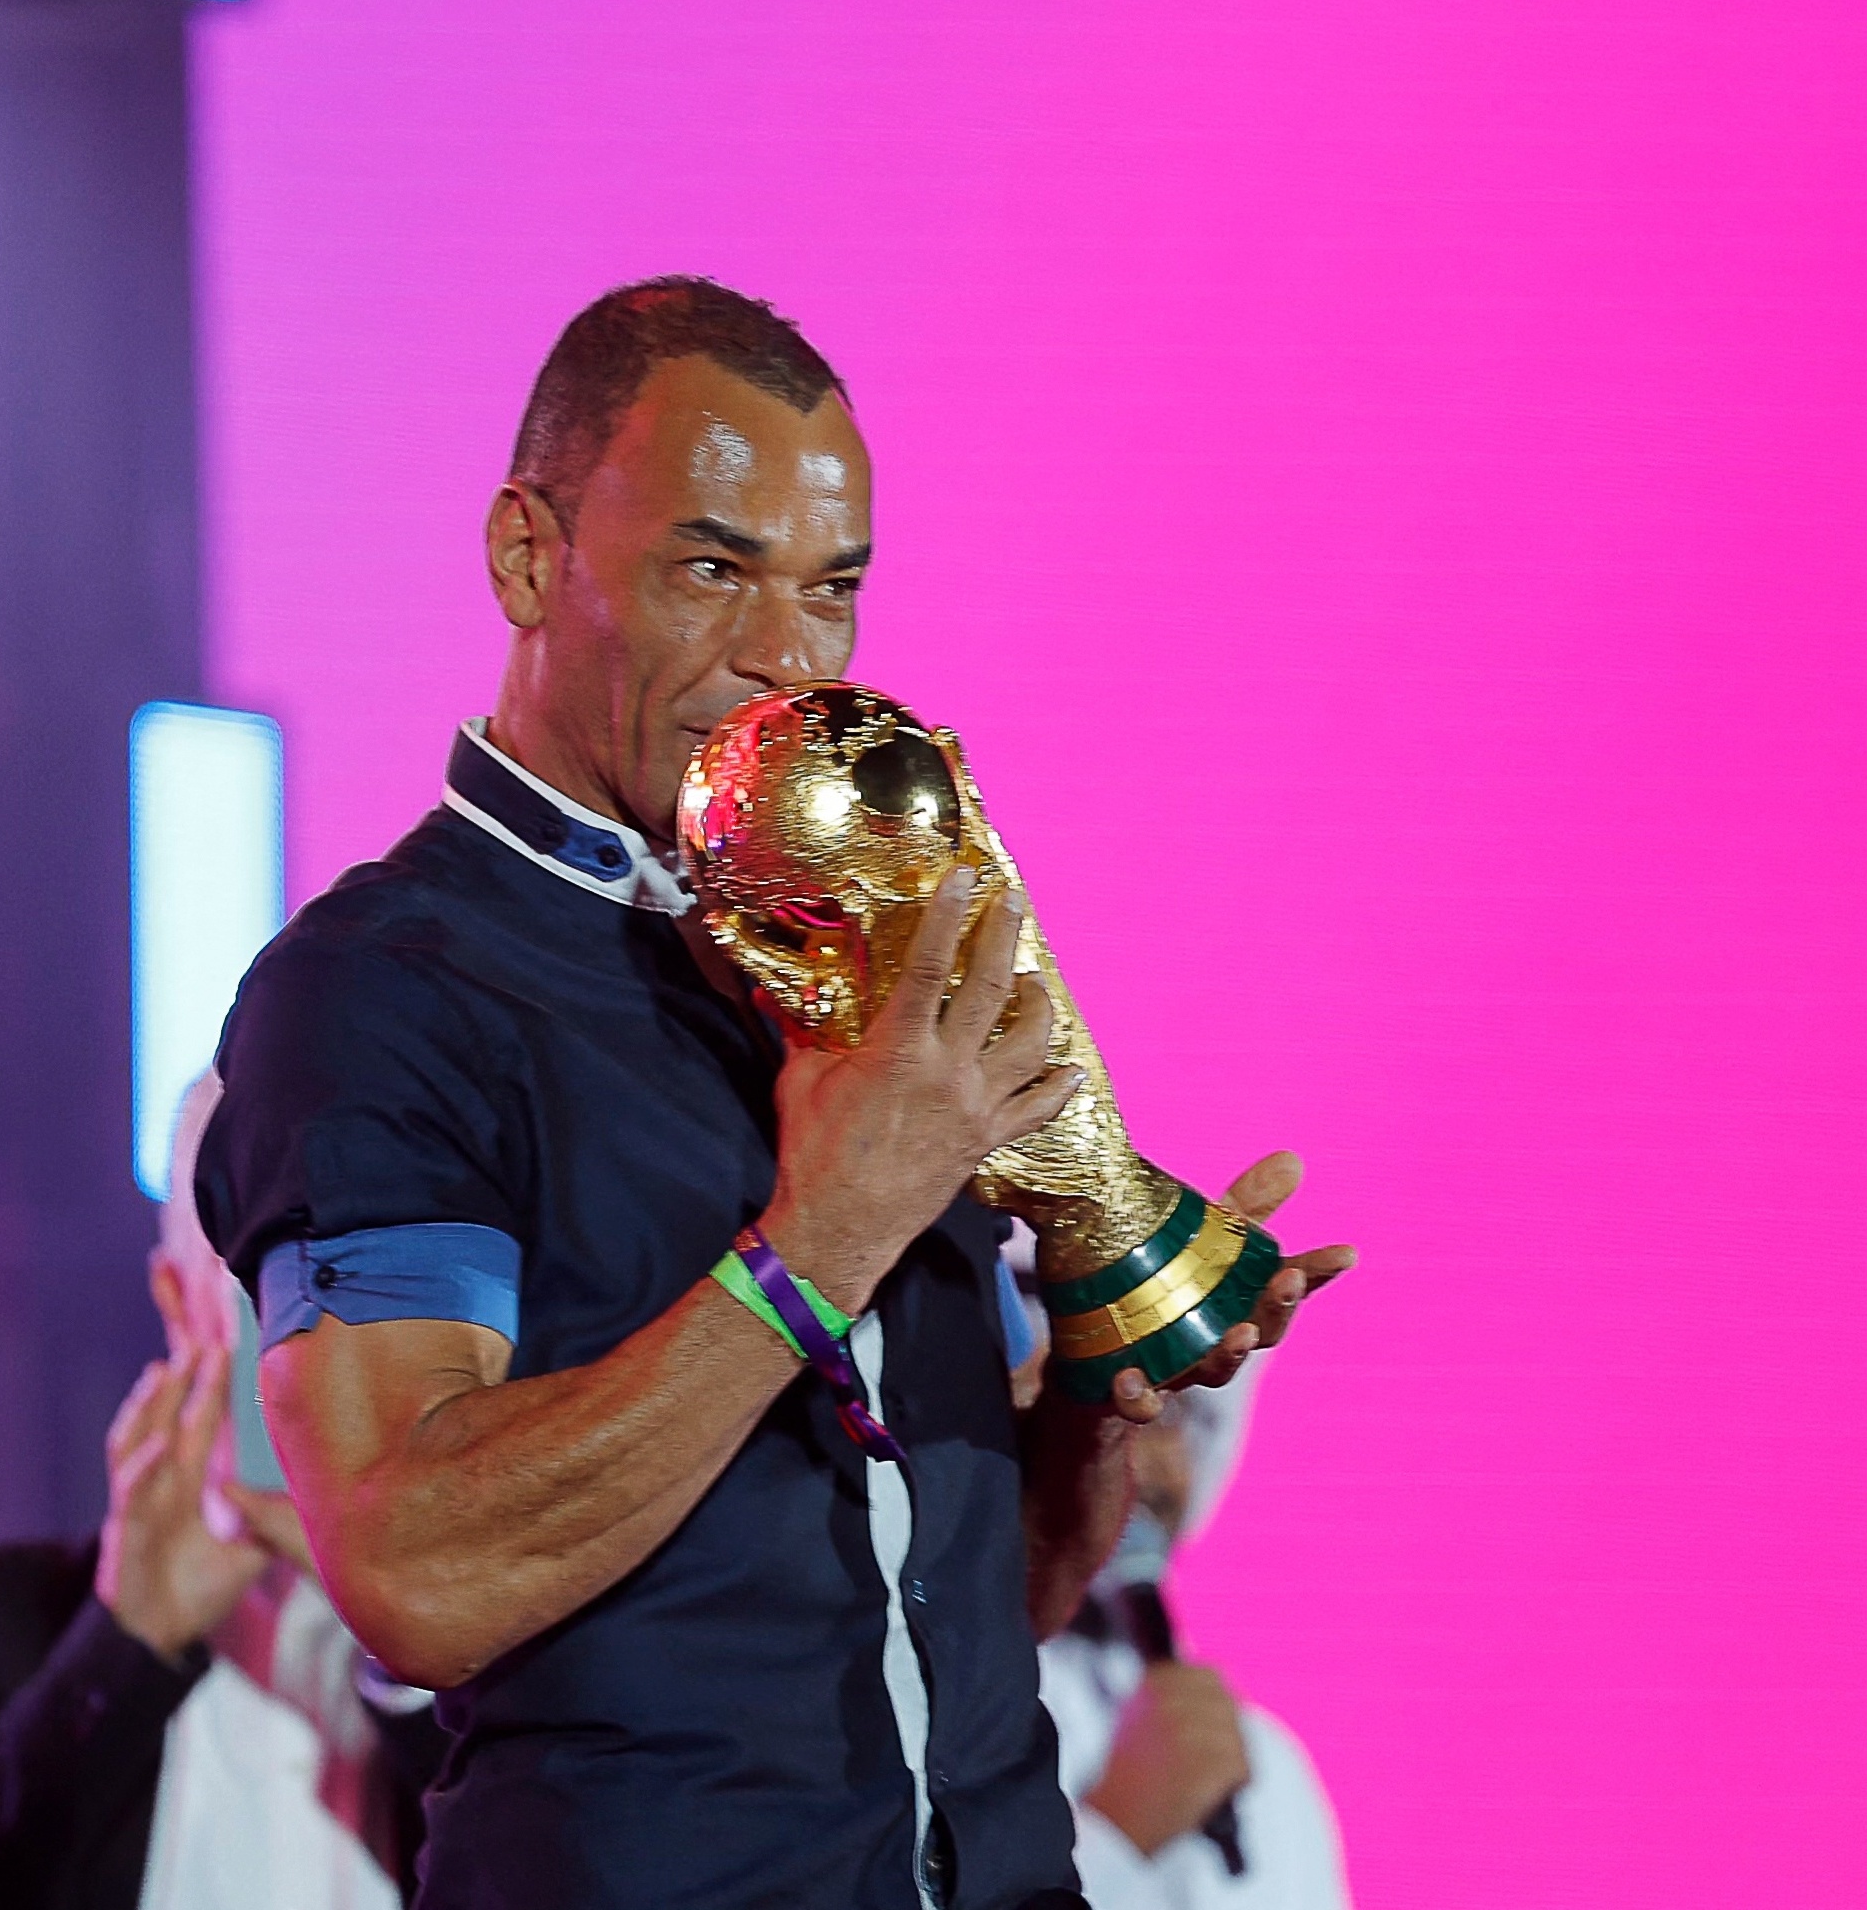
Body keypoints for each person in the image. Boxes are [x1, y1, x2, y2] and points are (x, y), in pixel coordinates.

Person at [195, 275, 1355, 1910]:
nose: (781, 658)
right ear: (529, 555)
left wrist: (1107, 1369)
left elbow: (971, 1607)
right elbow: (412, 1570)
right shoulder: (380, 991)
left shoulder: (854, 945)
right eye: (711, 567)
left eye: (832, 590)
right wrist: (824, 1228)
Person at [0, 1081, 444, 1910]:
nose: (307, 1331)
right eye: (257, 1277)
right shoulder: (2, 1618)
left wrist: (412, 1645)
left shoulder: (507, 1648)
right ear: (178, 1300)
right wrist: (126, 1645)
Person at [1023, 1323, 1351, 1910]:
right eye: (1108, 1408)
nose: (1139, 1465)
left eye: (1170, 1417)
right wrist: (1114, 1836)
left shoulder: (1267, 1768)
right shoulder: (928, 1711)